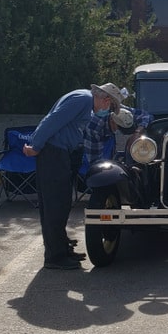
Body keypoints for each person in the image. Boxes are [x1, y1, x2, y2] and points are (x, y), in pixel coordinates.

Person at [24, 82, 122, 270]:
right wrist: (35, 146)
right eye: (111, 107)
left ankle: (61, 248)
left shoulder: (85, 102)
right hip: (54, 153)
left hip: (62, 153)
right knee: (55, 205)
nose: (109, 111)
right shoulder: (82, 99)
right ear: (106, 100)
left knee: (61, 203)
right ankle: (55, 257)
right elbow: (52, 120)